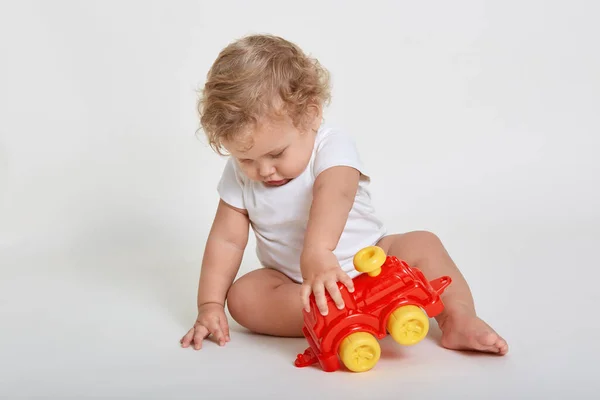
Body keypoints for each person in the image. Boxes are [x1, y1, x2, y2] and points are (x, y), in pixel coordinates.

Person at [180, 34, 508, 355]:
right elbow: (227, 240)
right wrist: (209, 303)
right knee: (244, 297)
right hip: (298, 284)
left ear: (310, 115)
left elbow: (334, 193)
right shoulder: (239, 175)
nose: (263, 170)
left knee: (423, 244)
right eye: (246, 159)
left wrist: (319, 252)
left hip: (374, 263)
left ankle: (459, 318)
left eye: (277, 154)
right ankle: (339, 316)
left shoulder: (331, 144)